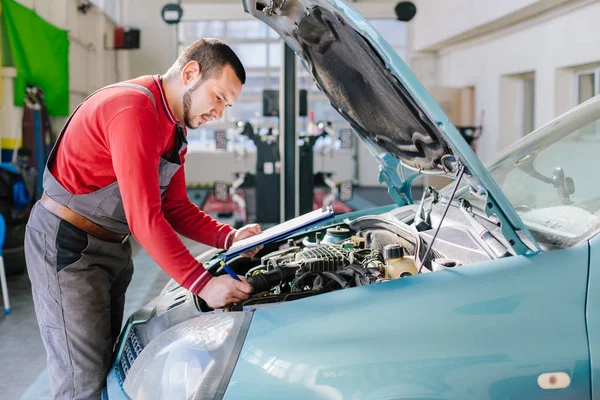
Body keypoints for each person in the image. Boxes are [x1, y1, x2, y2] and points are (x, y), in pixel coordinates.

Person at [24, 38, 260, 400]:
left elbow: (175, 206)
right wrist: (203, 284)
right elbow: (144, 219)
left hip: (110, 250)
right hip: (68, 248)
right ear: (191, 72)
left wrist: (230, 239)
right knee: (80, 382)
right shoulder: (133, 110)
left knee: (105, 371)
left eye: (226, 106)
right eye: (217, 98)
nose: (219, 114)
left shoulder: (175, 128)